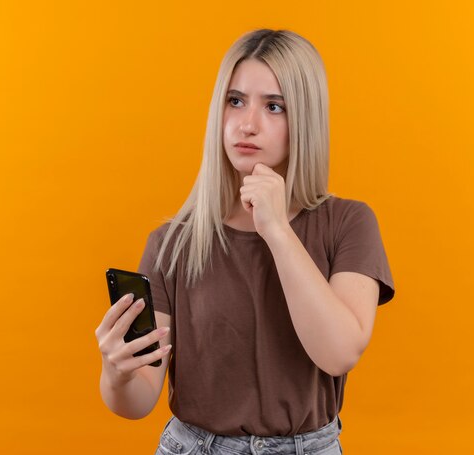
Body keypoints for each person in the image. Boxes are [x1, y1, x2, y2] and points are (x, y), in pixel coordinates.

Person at [95, 28, 395, 454]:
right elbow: (138, 401)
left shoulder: (348, 223)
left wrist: (275, 229)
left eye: (274, 107)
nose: (247, 123)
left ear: (304, 120)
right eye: (235, 101)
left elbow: (339, 351)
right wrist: (117, 373)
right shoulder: (171, 244)